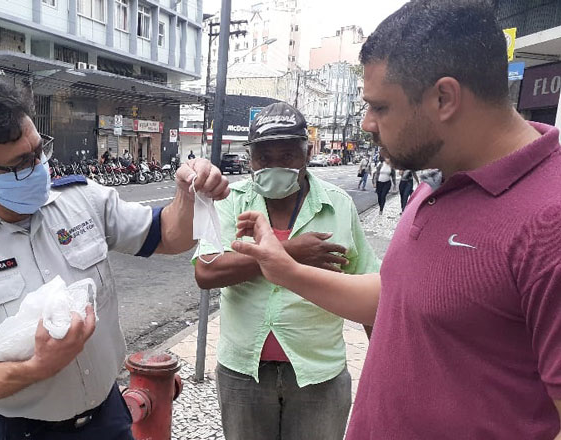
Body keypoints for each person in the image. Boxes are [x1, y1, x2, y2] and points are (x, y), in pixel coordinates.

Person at [226, 2, 561, 439]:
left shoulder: (549, 224)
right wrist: (284, 269)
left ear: (444, 98)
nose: (365, 123)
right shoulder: (440, 178)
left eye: (380, 107)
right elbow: (399, 296)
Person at [0, 78, 229, 440]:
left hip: (110, 415)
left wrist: (190, 192)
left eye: (38, 150)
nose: (38, 167)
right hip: (29, 432)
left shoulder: (81, 200)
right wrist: (37, 367)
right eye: (20, 164)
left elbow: (169, 237)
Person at [194, 102, 380, 440]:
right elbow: (206, 272)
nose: (274, 165)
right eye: (264, 157)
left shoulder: (338, 206)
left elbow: (371, 288)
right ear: (250, 158)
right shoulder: (232, 200)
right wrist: (288, 254)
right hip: (243, 373)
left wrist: (384, 366)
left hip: (318, 374)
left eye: (287, 155)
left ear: (307, 154)